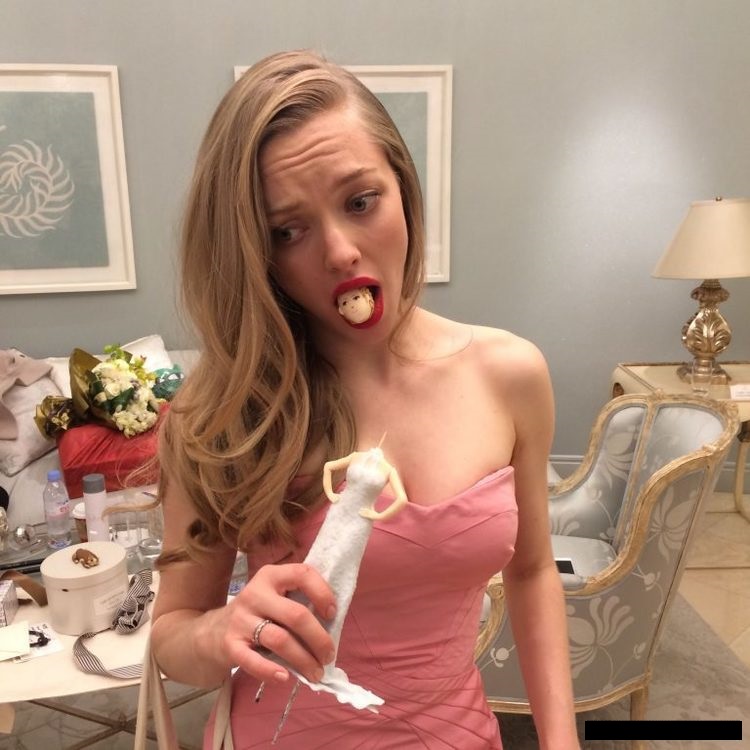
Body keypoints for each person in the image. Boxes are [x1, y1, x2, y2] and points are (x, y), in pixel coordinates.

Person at [150, 49, 581, 749]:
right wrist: (220, 629)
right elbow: (170, 634)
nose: (341, 252)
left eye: (360, 202)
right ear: (256, 254)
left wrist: (561, 742)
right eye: (288, 231)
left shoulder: (509, 375)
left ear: (403, 188)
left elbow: (532, 571)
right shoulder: (225, 414)